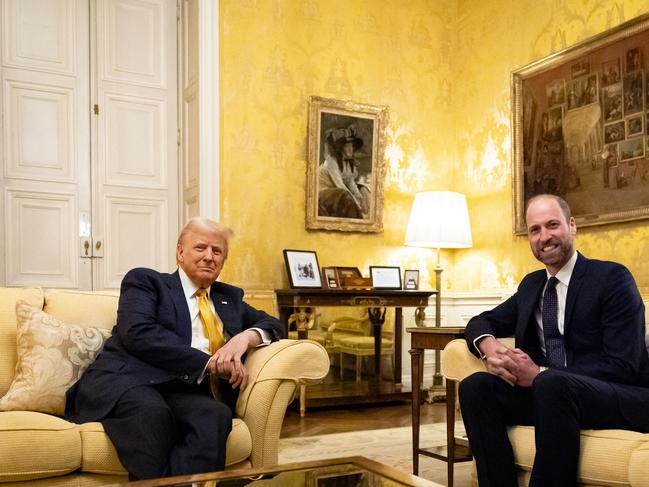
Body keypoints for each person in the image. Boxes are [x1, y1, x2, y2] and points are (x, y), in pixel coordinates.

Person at [65, 217, 283, 480]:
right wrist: (210, 363)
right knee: (152, 414)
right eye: (200, 248)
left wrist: (244, 338)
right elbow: (138, 333)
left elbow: (273, 324)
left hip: (184, 389)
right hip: (130, 381)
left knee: (215, 415)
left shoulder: (228, 298)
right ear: (180, 252)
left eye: (217, 252)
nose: (209, 257)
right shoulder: (147, 282)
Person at [459, 194, 649, 487]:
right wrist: (488, 347)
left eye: (552, 225)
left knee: (551, 383)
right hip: (553, 398)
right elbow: (481, 321)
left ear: (571, 226)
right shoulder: (532, 285)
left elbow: (624, 366)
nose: (544, 236)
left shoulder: (612, 278)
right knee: (476, 386)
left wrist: (539, 374)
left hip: (616, 396)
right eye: (535, 230)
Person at [318, 125, 370, 219]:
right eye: (347, 146)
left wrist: (359, 196)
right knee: (345, 195)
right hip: (323, 192)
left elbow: (350, 181)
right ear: (341, 148)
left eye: (352, 146)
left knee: (363, 190)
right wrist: (356, 202)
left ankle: (365, 216)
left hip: (336, 190)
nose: (351, 149)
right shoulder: (331, 161)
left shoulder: (347, 162)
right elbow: (340, 185)